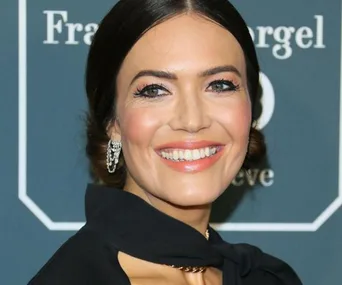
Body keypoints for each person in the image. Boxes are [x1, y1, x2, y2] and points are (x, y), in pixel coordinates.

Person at [28, 0, 302, 284]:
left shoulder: (266, 277)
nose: (192, 120)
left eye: (220, 85)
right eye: (155, 90)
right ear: (113, 123)